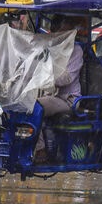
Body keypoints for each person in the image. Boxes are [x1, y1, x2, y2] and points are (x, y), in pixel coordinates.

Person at [34, 15, 84, 162]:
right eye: (58, 31)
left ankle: (40, 149)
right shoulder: (52, 49)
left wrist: (44, 78)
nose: (61, 35)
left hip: (69, 100)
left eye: (64, 31)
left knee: (34, 106)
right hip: (53, 96)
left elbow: (66, 78)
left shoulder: (76, 50)